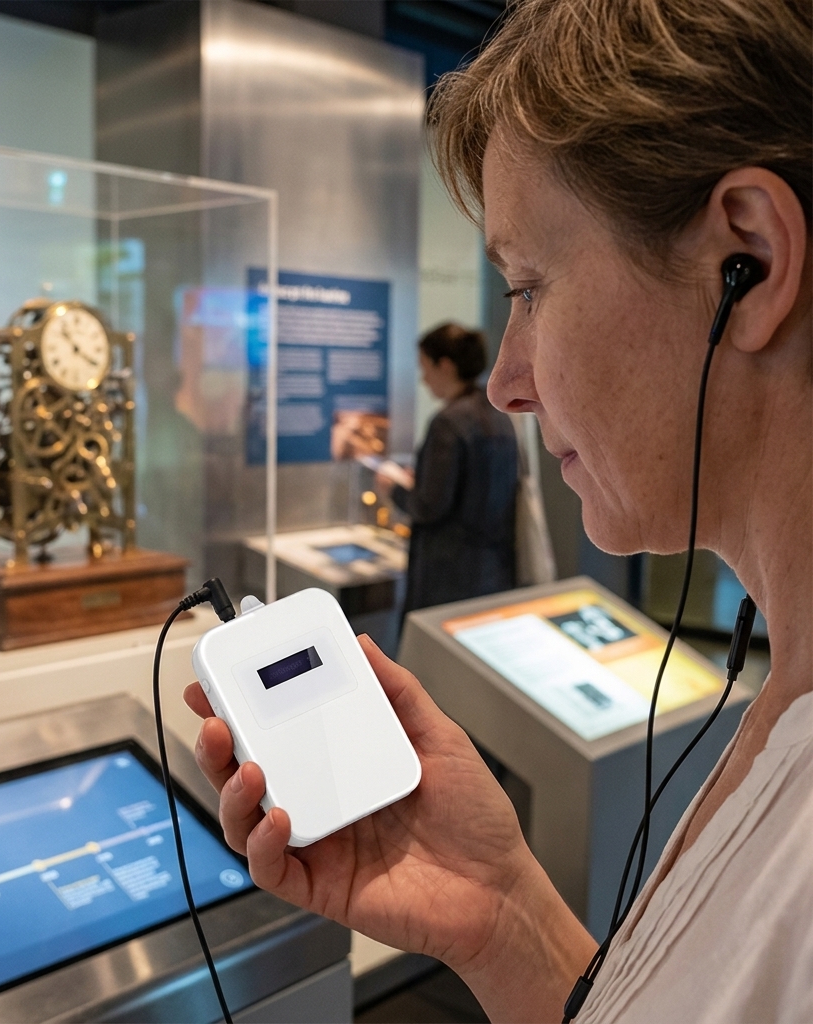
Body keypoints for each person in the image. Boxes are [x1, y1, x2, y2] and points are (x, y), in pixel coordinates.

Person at [186, 1, 812, 1021]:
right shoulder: (782, 707)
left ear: (748, 261)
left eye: (526, 288)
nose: (507, 382)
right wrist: (504, 916)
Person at [383, 323, 519, 613]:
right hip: (494, 569)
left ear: (444, 366)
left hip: (447, 575)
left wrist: (393, 489)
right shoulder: (499, 415)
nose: (423, 379)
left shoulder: (448, 422)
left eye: (425, 368)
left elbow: (429, 507)